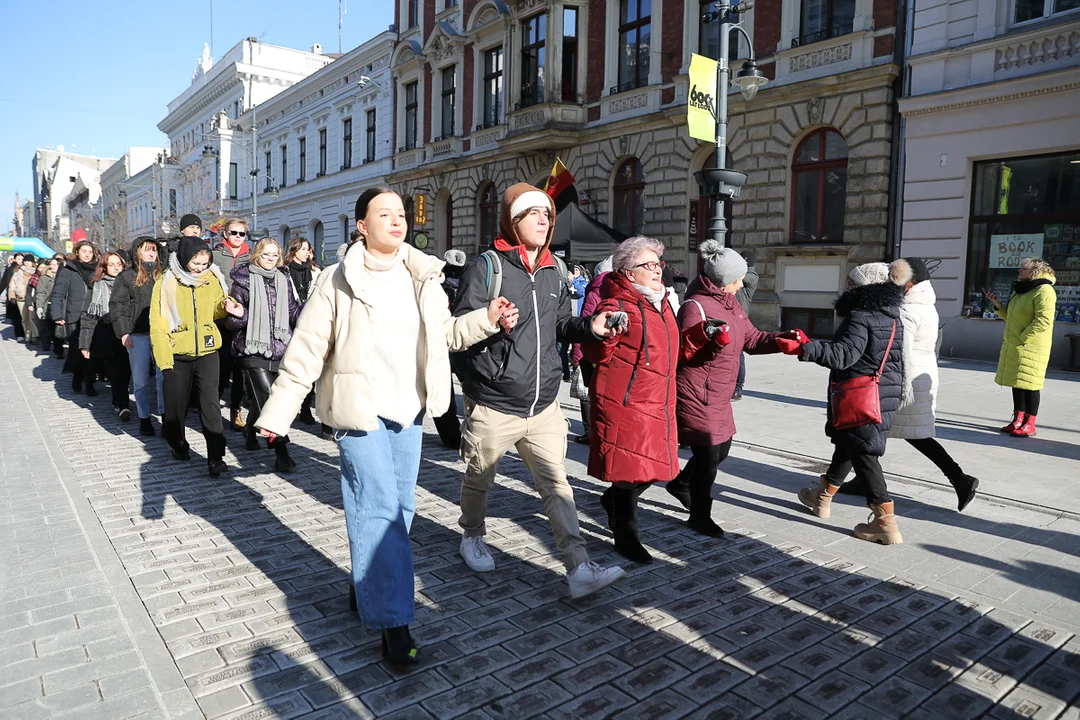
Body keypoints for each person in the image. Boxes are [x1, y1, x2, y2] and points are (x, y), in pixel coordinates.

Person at [253, 186, 516, 668]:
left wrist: (488, 319)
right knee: (379, 510)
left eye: (400, 214)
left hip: (409, 409)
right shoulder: (337, 279)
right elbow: (307, 350)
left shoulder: (424, 276)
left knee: (401, 506)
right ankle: (396, 622)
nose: (397, 221)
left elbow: (448, 336)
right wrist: (278, 414)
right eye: (384, 213)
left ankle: (369, 585)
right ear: (361, 225)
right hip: (360, 411)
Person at [453, 182, 626, 599]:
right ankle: (471, 535)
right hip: (497, 401)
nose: (544, 220)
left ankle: (579, 567)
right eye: (534, 214)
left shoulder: (556, 270)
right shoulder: (488, 266)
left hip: (545, 403)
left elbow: (561, 326)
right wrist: (492, 320)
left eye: (547, 214)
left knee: (557, 487)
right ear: (513, 221)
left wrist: (591, 327)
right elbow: (459, 325)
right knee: (480, 480)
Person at [833, 258, 980, 512]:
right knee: (866, 435)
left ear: (910, 283)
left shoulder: (909, 310)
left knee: (869, 433)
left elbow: (896, 349)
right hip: (912, 377)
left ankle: (960, 479)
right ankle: (853, 481)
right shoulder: (922, 304)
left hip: (904, 381)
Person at [668, 241, 792, 539]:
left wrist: (780, 340)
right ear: (724, 280)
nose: (741, 284)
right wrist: (710, 341)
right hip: (696, 391)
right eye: (738, 279)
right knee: (709, 455)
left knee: (722, 450)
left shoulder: (730, 303)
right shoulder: (693, 306)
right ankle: (700, 515)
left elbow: (751, 338)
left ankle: (681, 484)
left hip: (719, 393)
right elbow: (684, 352)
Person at [791, 262, 908, 545]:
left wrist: (807, 348)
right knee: (848, 444)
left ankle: (885, 522)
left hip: (860, 394)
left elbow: (843, 355)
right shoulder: (892, 316)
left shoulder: (860, 315)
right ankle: (822, 497)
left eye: (851, 282)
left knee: (865, 455)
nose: (846, 286)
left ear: (861, 287)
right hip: (882, 392)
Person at [584, 237, 680, 563]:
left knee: (657, 468)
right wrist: (604, 332)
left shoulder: (662, 302)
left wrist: (702, 337)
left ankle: (612, 501)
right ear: (627, 273)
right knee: (630, 472)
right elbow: (595, 351)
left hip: (659, 401)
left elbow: (672, 349)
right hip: (627, 403)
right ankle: (626, 536)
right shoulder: (616, 304)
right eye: (648, 265)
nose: (656, 270)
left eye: (658, 264)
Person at [150, 235, 241, 476]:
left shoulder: (212, 278)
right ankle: (178, 443)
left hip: (208, 350)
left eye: (205, 263)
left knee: (210, 405)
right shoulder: (166, 282)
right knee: (175, 408)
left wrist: (227, 305)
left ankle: (216, 457)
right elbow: (157, 324)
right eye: (196, 263)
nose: (201, 268)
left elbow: (216, 307)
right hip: (177, 353)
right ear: (183, 259)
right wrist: (164, 361)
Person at [226, 238, 301, 472]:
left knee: (265, 400)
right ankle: (281, 452)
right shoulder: (242, 280)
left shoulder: (283, 278)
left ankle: (250, 429)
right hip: (251, 348)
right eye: (266, 254)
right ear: (257, 254)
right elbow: (233, 321)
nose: (270, 259)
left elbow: (291, 311)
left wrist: (310, 317)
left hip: (279, 346)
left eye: (274, 255)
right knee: (269, 398)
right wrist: (238, 314)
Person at [984, 257, 1056, 438]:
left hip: (1031, 345)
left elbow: (1044, 320)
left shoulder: (1044, 290)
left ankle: (1029, 423)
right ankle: (1018, 419)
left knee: (1030, 384)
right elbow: (1012, 318)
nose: (1019, 271)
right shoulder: (1021, 290)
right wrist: (998, 305)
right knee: (1017, 382)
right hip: (1016, 344)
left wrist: (1023, 337)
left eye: (1023, 268)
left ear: (1035, 270)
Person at [111, 237, 166, 436]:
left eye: (154, 250)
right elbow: (118, 306)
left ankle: (165, 415)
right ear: (137, 253)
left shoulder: (164, 275)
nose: (151, 253)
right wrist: (124, 332)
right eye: (147, 250)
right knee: (141, 380)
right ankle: (144, 418)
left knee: (163, 377)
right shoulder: (126, 277)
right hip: (138, 334)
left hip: (162, 334)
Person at [212, 217, 253, 432]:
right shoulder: (216, 256)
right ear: (225, 234)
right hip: (219, 317)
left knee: (239, 368)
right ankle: (214, 409)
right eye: (234, 233)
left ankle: (236, 409)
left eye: (242, 233)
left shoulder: (252, 257)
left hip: (243, 318)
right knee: (220, 365)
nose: (238, 237)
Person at [79, 252, 131, 416]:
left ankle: (119, 400)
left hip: (128, 332)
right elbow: (88, 317)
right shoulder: (97, 286)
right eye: (111, 264)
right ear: (104, 267)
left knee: (127, 371)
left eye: (119, 264)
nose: (116, 267)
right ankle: (122, 404)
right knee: (116, 371)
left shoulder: (131, 282)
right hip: (107, 333)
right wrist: (85, 344)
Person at [570, 256, 613, 445]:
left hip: (591, 350)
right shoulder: (617, 290)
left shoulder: (594, 291)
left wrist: (576, 355)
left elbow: (584, 324)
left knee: (587, 394)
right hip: (610, 351)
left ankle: (590, 432)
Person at [51, 242, 100, 393]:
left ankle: (90, 382)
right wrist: (57, 314)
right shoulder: (68, 269)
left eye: (90, 252)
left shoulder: (98, 269)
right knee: (76, 350)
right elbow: (58, 293)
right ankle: (77, 377)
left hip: (93, 315)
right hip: (74, 315)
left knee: (92, 350)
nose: (87, 254)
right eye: (84, 251)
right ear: (77, 252)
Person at [283, 236, 322, 426]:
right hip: (291, 324)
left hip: (311, 322)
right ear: (294, 250)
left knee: (310, 367)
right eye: (303, 249)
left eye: (308, 249)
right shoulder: (284, 272)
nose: (307, 252)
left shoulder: (315, 271)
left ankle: (306, 408)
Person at [434, 249, 468, 449]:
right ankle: (474, 430)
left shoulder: (437, 281)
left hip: (441, 340)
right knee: (472, 388)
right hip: (463, 339)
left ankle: (451, 436)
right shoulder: (469, 279)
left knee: (443, 391)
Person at [733, 249, 759, 400]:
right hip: (730, 317)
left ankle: (738, 388)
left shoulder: (751, 276)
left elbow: (739, 278)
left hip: (740, 319)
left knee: (739, 355)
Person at [36, 257, 63, 355]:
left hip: (63, 307)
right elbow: (41, 293)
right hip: (50, 307)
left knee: (61, 328)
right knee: (53, 330)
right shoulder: (45, 278)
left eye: (54, 264)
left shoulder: (65, 276)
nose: (51, 266)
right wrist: (39, 306)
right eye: (51, 264)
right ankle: (58, 349)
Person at [7, 255, 36, 341]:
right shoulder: (18, 272)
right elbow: (11, 286)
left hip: (32, 299)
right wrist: (12, 296)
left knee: (33, 318)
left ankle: (34, 336)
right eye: (25, 261)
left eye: (29, 261)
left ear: (32, 263)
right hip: (21, 299)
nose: (27, 263)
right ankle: (28, 335)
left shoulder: (36, 272)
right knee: (24, 318)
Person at [24, 260, 49, 347]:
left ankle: (46, 338)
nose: (42, 269)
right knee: (33, 320)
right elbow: (29, 293)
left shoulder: (50, 278)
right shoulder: (34, 279)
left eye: (43, 267)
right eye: (40, 267)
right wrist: (29, 303)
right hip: (35, 302)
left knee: (44, 322)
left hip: (47, 303)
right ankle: (35, 337)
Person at [2, 253, 24, 328]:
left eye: (22, 259)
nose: (21, 261)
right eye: (18, 259)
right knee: (16, 316)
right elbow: (4, 282)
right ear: (14, 260)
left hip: (24, 295)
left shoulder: (26, 269)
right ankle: (19, 333)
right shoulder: (10, 269)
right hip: (13, 295)